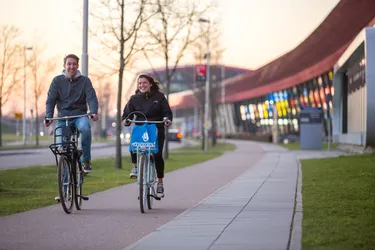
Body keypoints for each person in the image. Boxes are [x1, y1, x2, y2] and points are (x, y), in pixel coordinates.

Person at [44, 54, 99, 175]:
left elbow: (92, 98)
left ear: (77, 66)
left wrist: (94, 112)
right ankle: (64, 191)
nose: (71, 66)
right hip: (63, 117)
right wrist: (48, 116)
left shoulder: (85, 81)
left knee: (85, 128)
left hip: (80, 116)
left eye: (74, 64)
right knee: (62, 150)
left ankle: (85, 160)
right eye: (69, 64)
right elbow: (51, 100)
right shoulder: (57, 81)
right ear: (64, 66)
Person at [122, 74, 173, 198]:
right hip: (141, 127)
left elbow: (166, 112)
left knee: (157, 154)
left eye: (144, 83)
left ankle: (160, 182)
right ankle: (135, 167)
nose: (142, 85)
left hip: (156, 128)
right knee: (134, 145)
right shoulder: (134, 99)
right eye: (139, 83)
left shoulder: (160, 97)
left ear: (150, 84)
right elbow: (127, 114)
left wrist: (167, 119)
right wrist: (126, 120)